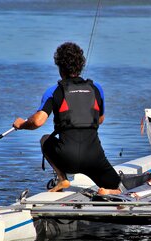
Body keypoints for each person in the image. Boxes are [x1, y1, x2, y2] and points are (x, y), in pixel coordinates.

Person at [13, 42, 121, 194]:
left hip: (66, 157)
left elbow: (38, 121)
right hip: (94, 157)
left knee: (45, 139)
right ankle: (108, 192)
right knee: (118, 187)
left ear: (59, 67)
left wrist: (22, 124)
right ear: (81, 65)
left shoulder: (54, 91)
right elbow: (100, 119)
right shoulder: (96, 88)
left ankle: (62, 178)